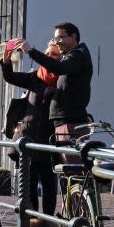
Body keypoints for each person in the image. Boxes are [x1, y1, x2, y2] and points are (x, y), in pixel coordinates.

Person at [1, 40, 59, 227]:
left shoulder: (63, 81)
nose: (52, 58)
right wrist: (6, 60)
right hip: (30, 141)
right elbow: (10, 77)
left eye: (56, 56)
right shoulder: (36, 77)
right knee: (30, 187)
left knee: (50, 188)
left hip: (50, 142)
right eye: (50, 54)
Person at [16, 22, 93, 159]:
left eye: (60, 38)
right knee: (66, 172)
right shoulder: (72, 56)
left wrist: (31, 51)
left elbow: (59, 68)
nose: (57, 42)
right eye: (56, 39)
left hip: (70, 123)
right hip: (65, 122)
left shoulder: (78, 55)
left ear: (73, 36)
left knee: (73, 169)